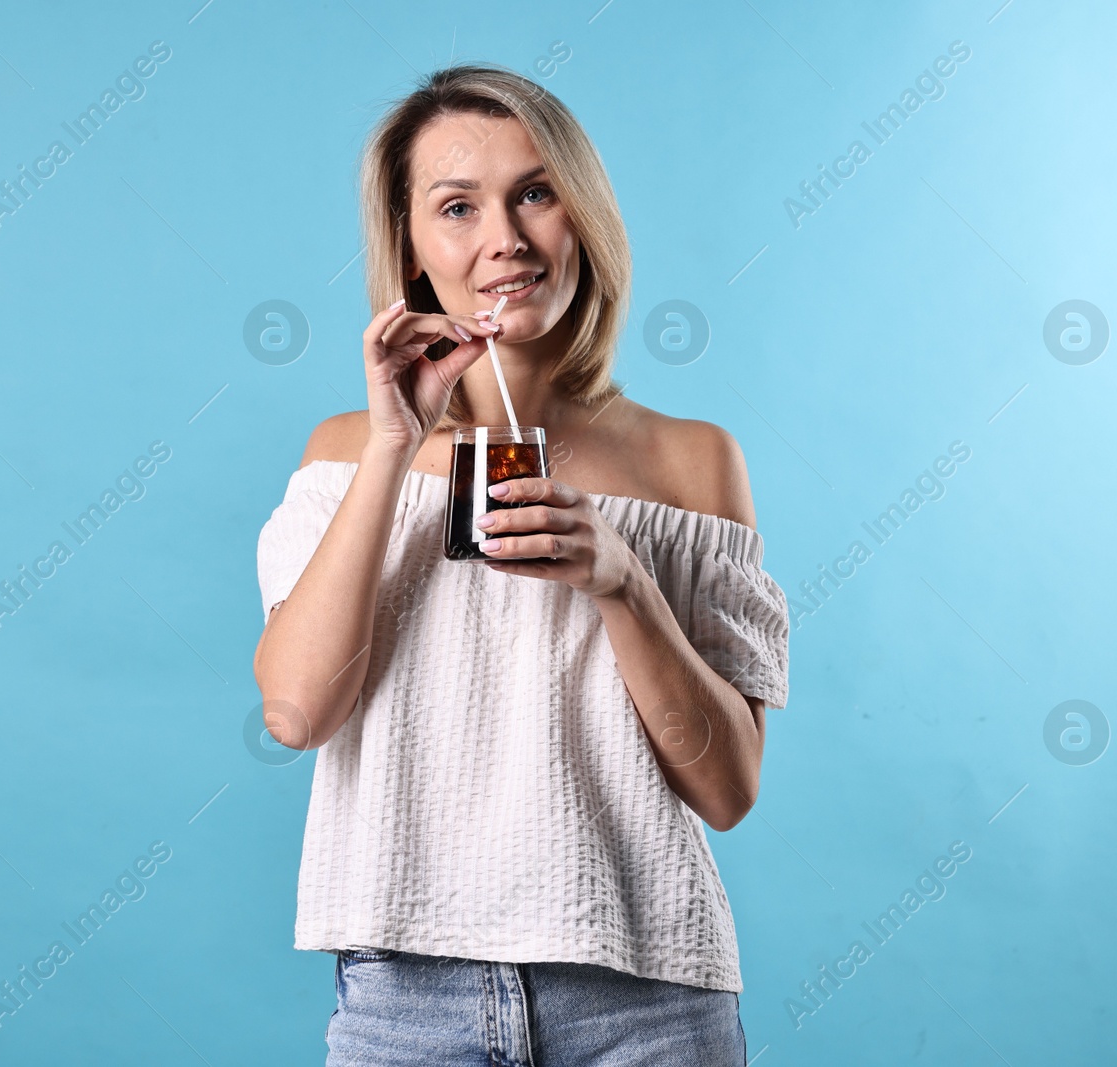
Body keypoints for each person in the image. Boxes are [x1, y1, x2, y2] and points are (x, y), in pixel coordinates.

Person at [252, 63, 789, 1065]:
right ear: (410, 245)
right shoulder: (342, 453)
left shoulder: (690, 460)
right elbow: (295, 712)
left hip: (645, 1000)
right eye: (457, 206)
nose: (504, 237)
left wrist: (621, 580)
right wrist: (389, 447)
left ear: (581, 213)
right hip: (404, 998)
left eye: (534, 191)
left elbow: (726, 788)